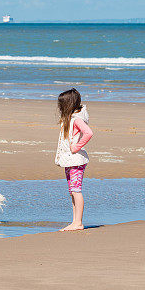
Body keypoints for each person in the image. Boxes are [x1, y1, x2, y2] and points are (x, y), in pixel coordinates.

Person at [54, 88, 93, 231]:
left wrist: (76, 147)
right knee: (72, 191)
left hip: (76, 159)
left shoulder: (76, 119)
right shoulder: (69, 119)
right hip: (68, 159)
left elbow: (88, 133)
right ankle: (75, 221)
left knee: (76, 190)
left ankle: (78, 223)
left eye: (61, 105)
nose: (59, 107)